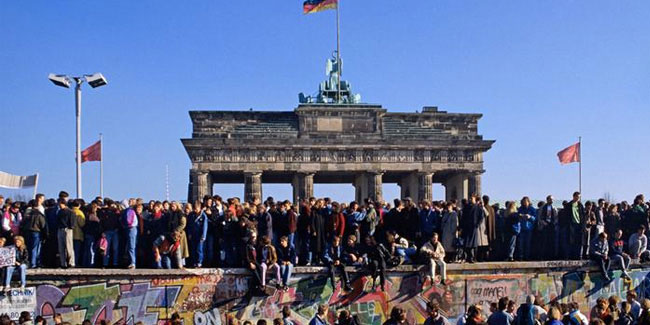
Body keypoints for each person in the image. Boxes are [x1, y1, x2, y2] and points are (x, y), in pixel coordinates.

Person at [22, 194, 48, 268]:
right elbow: (43, 223)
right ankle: (34, 263)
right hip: (36, 231)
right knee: (35, 248)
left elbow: (24, 221)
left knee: (29, 247)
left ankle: (30, 262)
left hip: (28, 231)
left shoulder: (28, 211)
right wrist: (46, 232)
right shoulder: (40, 211)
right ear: (39, 199)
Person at [56, 198, 75, 268]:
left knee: (69, 247)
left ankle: (71, 262)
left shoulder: (70, 212)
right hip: (60, 229)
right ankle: (63, 263)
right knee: (61, 248)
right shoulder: (59, 212)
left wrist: (70, 227)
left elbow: (72, 221)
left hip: (67, 229)